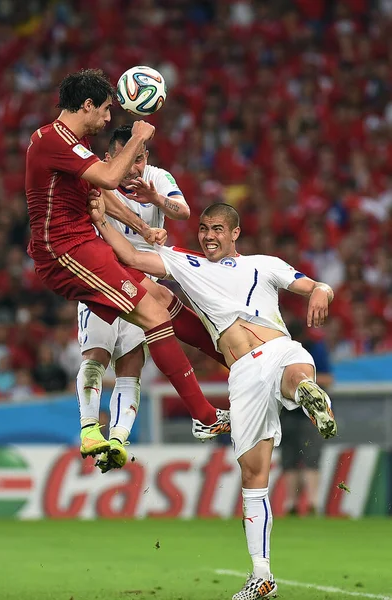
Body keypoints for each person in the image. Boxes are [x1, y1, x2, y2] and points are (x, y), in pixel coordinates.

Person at [88, 198, 338, 600]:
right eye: (204, 229)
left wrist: (321, 290)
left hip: (265, 357)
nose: (208, 236)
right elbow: (132, 255)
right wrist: (101, 221)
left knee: (288, 377)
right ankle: (262, 575)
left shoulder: (264, 263)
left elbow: (312, 285)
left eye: (217, 229)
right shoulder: (191, 265)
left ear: (235, 233)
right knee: (253, 479)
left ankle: (309, 394)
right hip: (252, 369)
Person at [25, 68, 230, 463]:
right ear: (86, 105)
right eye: (103, 111)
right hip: (65, 251)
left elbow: (101, 189)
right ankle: (203, 416)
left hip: (87, 246)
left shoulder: (73, 142)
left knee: (159, 298)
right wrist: (136, 137)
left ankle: (232, 363)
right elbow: (108, 175)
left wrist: (140, 225)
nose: (107, 119)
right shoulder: (53, 140)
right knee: (148, 319)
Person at [76, 123, 190, 471]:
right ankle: (89, 428)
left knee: (131, 363)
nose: (136, 167)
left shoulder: (159, 178)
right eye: (130, 159)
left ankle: (118, 439)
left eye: (141, 159)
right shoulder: (97, 176)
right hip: (102, 276)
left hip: (144, 284)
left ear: (147, 158)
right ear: (112, 157)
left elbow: (182, 212)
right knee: (96, 355)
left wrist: (155, 198)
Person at [280, 320, 334, 516]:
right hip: (288, 413)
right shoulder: (288, 351)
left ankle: (312, 502)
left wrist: (298, 381)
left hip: (312, 414)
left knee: (310, 457)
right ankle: (292, 503)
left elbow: (328, 378)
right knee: (290, 458)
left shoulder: (313, 349)